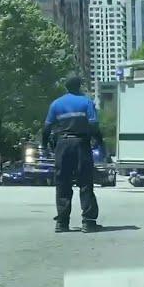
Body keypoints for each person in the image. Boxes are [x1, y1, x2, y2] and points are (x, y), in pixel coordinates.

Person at [42, 75, 104, 233]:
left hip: (62, 146)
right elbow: (94, 125)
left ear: (66, 87)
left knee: (62, 182)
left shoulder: (56, 104)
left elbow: (47, 127)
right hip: (81, 144)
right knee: (85, 182)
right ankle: (88, 222)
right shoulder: (86, 102)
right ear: (79, 86)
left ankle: (62, 223)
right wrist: (99, 142)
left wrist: (44, 145)